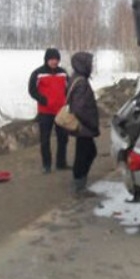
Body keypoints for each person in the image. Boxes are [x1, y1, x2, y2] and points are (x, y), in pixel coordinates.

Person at [28, 48, 70, 173]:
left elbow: (69, 88)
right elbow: (32, 90)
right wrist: (43, 100)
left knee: (63, 138)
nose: (54, 62)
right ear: (46, 60)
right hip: (45, 112)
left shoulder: (63, 73)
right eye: (52, 59)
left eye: (56, 59)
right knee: (45, 139)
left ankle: (61, 163)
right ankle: (46, 165)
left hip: (61, 111)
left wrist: (67, 101)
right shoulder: (38, 73)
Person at [67, 52, 100, 192]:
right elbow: (79, 108)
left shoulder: (78, 78)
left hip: (83, 126)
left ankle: (79, 180)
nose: (91, 66)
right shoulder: (81, 82)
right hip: (84, 126)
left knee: (86, 152)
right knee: (86, 152)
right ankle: (79, 184)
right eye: (90, 63)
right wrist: (91, 123)